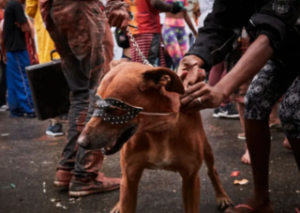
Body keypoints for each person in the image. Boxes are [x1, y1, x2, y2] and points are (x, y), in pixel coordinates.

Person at [178, 1, 300, 212]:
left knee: (292, 111)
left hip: (281, 42)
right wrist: (195, 58)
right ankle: (261, 200)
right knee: (254, 100)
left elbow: (270, 31)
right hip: (285, 52)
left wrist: (222, 89)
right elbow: (219, 24)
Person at [39, 0, 129, 196]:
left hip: (52, 8)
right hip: (81, 6)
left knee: (81, 92)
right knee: (101, 90)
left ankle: (68, 169)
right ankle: (85, 175)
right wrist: (116, 3)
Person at [25, 0, 63, 136]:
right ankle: (78, 118)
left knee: (50, 78)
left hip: (47, 31)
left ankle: (55, 122)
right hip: (69, 26)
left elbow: (30, 9)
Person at [1, 0, 36, 118]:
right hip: (18, 48)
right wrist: (23, 24)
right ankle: (30, 107)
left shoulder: (8, 7)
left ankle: (16, 108)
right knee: (23, 79)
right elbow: (26, 28)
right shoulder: (15, 5)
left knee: (13, 81)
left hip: (10, 49)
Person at [125, 0, 185, 66]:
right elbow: (155, 2)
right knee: (147, 66)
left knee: (138, 64)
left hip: (133, 30)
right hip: (148, 29)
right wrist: (172, 7)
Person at [162, 0, 197, 69]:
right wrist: (163, 41)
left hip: (182, 29)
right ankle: (178, 78)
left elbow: (185, 14)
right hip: (169, 29)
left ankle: (181, 78)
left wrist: (195, 32)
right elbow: (159, 10)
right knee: (178, 59)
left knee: (185, 58)